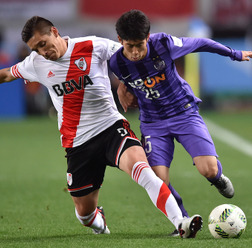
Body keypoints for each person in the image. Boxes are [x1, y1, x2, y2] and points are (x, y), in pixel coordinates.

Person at [0, 16, 203, 238]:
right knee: (84, 213)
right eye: (35, 49)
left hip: (111, 127)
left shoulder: (93, 46)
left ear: (55, 32)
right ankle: (98, 220)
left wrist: (125, 83)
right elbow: (7, 74)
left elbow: (130, 57)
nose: (42, 52)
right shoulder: (35, 63)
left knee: (143, 171)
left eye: (43, 44)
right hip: (77, 143)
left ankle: (181, 222)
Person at [109, 9, 252, 234]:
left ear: (148, 37)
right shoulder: (116, 63)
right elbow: (126, 80)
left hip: (183, 113)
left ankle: (217, 178)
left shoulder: (164, 44)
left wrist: (234, 53)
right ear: (120, 41)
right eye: (130, 46)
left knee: (207, 169)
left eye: (140, 45)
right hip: (152, 122)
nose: (135, 52)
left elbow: (201, 43)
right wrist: (121, 88)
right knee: (158, 180)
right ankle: (183, 222)